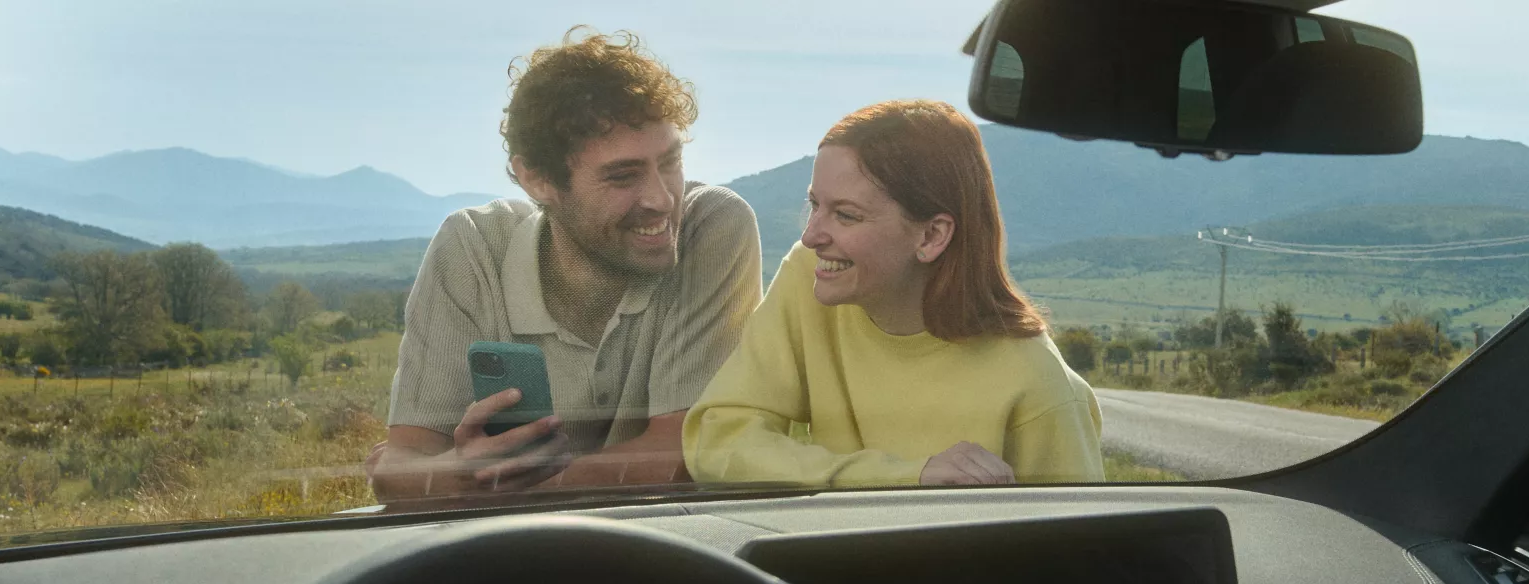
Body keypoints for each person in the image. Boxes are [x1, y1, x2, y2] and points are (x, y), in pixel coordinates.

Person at [370, 28, 760, 503]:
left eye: (670, 162)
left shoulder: (711, 225)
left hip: (660, 552)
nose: (662, 199)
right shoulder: (472, 246)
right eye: (623, 175)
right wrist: (454, 471)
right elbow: (399, 467)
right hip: (503, 559)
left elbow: (683, 454)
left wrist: (485, 486)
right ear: (536, 179)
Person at [683, 100, 1103, 487]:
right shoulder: (810, 277)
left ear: (931, 235)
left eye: (846, 215)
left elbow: (1082, 555)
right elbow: (718, 442)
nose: (811, 236)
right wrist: (905, 478)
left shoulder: (1038, 388)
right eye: (814, 205)